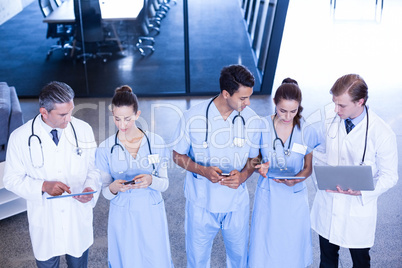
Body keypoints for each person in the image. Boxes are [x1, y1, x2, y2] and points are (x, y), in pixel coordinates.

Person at [172, 64, 261, 268]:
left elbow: (254, 158)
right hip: (201, 201)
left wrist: (244, 176)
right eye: (242, 98)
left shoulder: (252, 120)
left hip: (235, 203)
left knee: (239, 258)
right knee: (197, 259)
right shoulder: (192, 117)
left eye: (249, 97)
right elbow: (177, 155)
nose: (248, 103)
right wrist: (202, 170)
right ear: (225, 93)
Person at [3, 81, 100, 267]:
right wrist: (43, 186)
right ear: (44, 112)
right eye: (63, 114)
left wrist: (91, 188)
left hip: (77, 216)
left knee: (79, 261)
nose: (69, 118)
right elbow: (11, 179)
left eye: (71, 111)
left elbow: (94, 169)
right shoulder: (20, 137)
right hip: (45, 220)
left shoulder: (83, 129)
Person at [310, 74, 398, 267]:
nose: (336, 109)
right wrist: (322, 179)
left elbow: (390, 175)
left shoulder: (382, 133)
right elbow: (318, 153)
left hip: (358, 208)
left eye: (342, 105)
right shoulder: (330, 122)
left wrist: (364, 191)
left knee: (360, 262)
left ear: (360, 102)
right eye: (334, 103)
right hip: (328, 203)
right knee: (327, 261)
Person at [95, 85, 174, 267]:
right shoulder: (105, 149)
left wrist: (151, 180)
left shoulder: (156, 142)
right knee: (127, 259)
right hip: (122, 214)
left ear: (137, 115)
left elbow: (165, 184)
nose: (122, 125)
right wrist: (114, 187)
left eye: (128, 119)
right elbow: (105, 193)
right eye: (117, 119)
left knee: (154, 258)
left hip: (151, 212)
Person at [248, 78, 320, 268]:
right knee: (266, 244)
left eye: (293, 111)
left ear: (299, 107)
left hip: (294, 196)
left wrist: (297, 180)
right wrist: (260, 166)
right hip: (268, 193)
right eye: (282, 110)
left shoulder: (306, 129)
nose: (288, 116)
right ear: (274, 103)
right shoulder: (262, 126)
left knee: (292, 245)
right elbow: (253, 159)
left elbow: (308, 168)